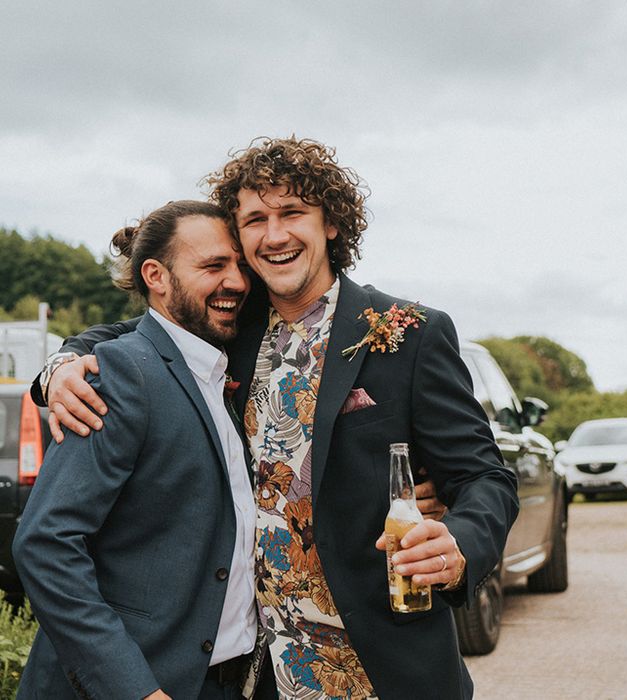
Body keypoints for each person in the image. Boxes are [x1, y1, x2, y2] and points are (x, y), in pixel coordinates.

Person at [35, 137, 519, 699]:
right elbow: (132, 335)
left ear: (331, 223)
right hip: (255, 674)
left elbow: (486, 477)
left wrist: (458, 541)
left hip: (382, 667)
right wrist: (60, 367)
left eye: (292, 213)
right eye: (255, 220)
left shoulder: (408, 333)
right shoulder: (228, 326)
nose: (275, 235)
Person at [14, 201, 260, 699]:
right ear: (156, 276)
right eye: (213, 266)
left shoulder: (218, 367)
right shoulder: (120, 374)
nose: (236, 281)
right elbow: (46, 544)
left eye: (239, 265)